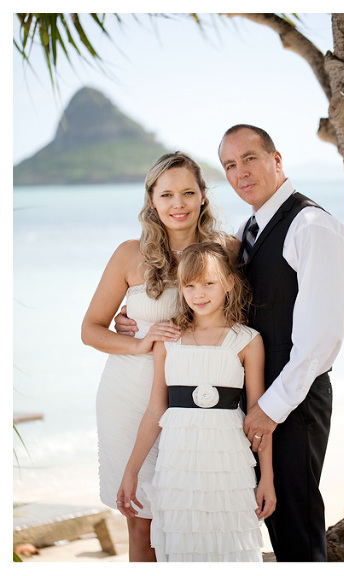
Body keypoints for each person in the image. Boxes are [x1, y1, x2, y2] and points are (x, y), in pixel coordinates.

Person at [116, 125, 344, 561]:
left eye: (250, 158)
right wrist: (135, 316)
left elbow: (322, 338)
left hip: (291, 401)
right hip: (254, 402)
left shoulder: (312, 226)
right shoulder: (248, 231)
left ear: (277, 159)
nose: (241, 172)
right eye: (230, 165)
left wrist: (270, 407)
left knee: (298, 530)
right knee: (278, 529)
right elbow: (216, 304)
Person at [82, 152, 235, 561]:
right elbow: (90, 329)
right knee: (141, 516)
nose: (178, 203)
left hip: (195, 398)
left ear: (203, 196)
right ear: (152, 200)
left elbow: (238, 324)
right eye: (166, 194)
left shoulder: (229, 251)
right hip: (129, 396)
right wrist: (138, 342)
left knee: (196, 510)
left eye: (188, 192)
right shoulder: (129, 255)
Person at [116, 242, 275, 561]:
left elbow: (259, 419)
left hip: (228, 463)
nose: (199, 293)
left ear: (229, 283)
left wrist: (267, 479)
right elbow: (154, 411)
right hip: (178, 464)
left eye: (208, 283)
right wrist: (130, 471)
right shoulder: (168, 341)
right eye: (189, 285)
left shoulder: (247, 341)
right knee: (182, 543)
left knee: (230, 544)